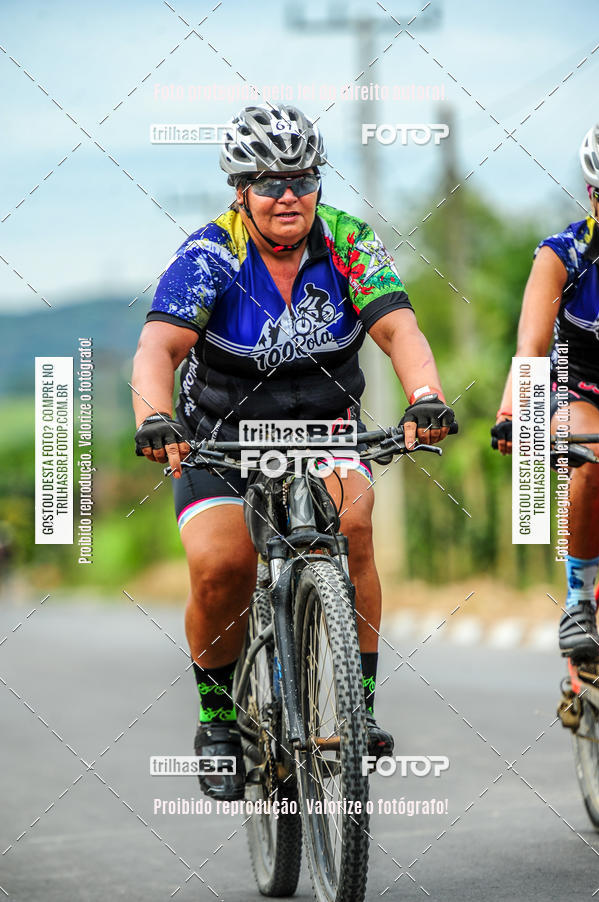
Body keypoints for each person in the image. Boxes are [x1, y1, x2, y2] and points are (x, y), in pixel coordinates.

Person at [132, 103, 455, 800]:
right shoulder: (211, 253)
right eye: (270, 182)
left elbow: (400, 331)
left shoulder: (347, 240)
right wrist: (157, 418)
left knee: (358, 525)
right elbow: (158, 348)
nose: (289, 197)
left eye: (303, 179)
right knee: (223, 564)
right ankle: (217, 718)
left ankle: (359, 708)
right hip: (221, 434)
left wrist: (425, 394)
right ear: (240, 190)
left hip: (324, 425)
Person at [492, 122, 599, 662]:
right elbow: (532, 347)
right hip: (572, 386)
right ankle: (579, 599)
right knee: (592, 454)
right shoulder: (564, 255)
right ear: (592, 197)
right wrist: (516, 412)